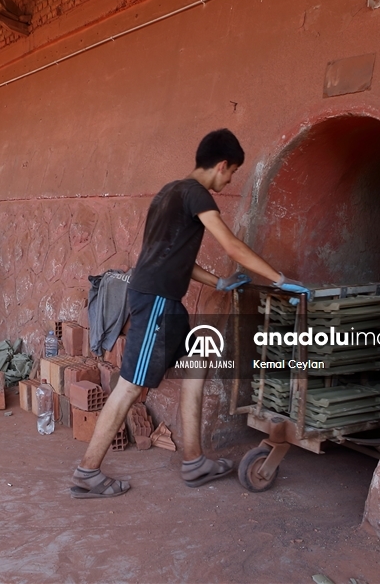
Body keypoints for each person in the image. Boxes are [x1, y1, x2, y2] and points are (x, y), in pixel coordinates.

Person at [70, 129, 309, 498]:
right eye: (232, 173)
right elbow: (230, 244)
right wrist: (280, 279)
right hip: (156, 303)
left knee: (198, 362)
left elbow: (175, 257)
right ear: (222, 165)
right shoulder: (196, 193)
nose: (229, 181)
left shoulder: (168, 193)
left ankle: (195, 462)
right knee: (130, 386)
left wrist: (218, 282)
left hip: (165, 302)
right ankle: (87, 472)